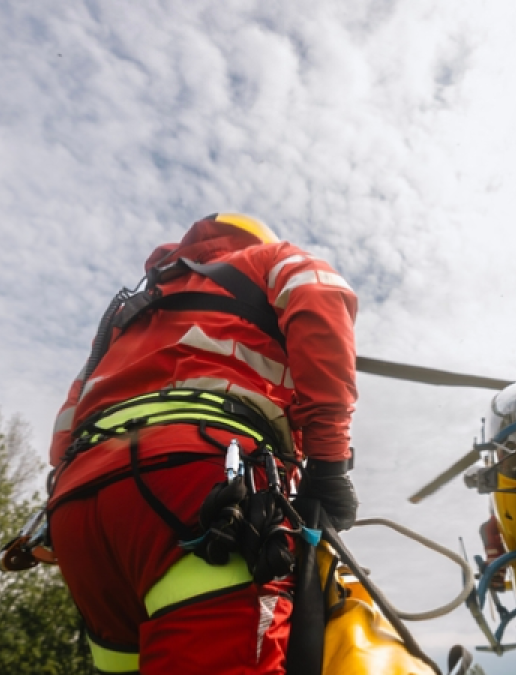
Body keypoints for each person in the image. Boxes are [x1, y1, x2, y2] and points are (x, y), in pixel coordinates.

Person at [45, 213, 359, 675]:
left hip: (78, 513)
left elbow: (66, 426)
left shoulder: (133, 312)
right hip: (197, 487)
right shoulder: (272, 259)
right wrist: (329, 465)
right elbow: (319, 296)